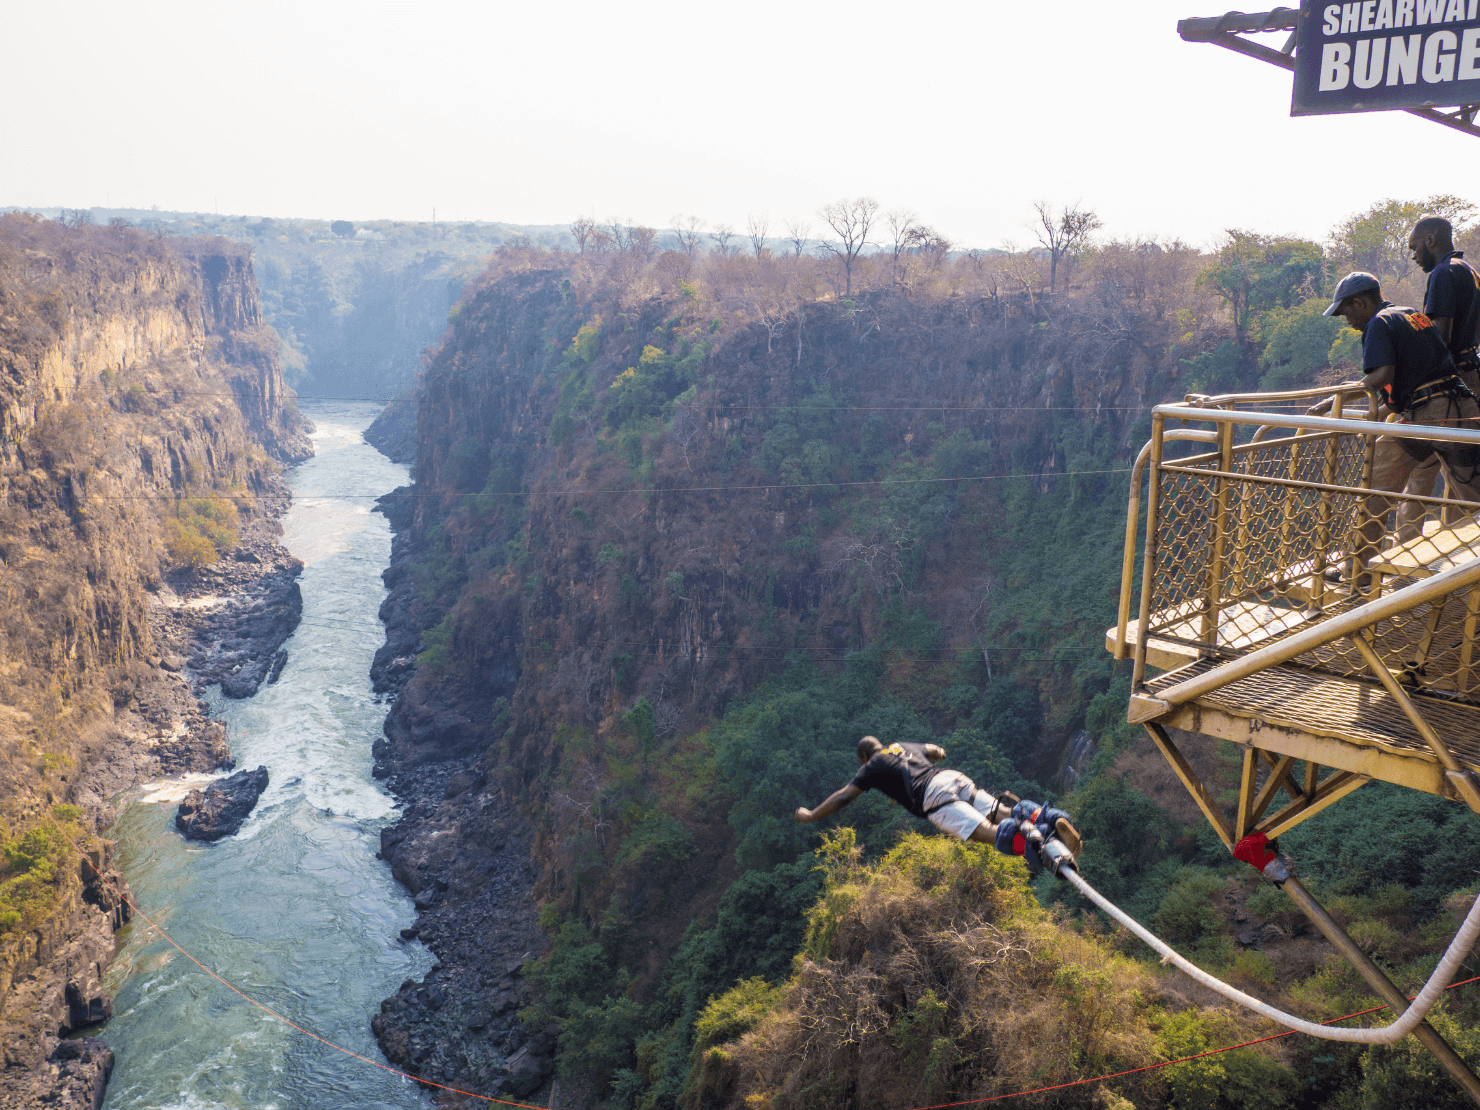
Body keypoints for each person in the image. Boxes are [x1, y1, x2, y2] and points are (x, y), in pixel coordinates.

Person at [1310, 271, 1480, 580]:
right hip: (1461, 407)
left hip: (1428, 415)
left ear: (1359, 302)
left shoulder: (1378, 324)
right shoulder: (1411, 315)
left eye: (1345, 312)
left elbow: (1380, 377)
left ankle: (1358, 572)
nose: (1346, 321)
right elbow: (1414, 383)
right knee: (1475, 497)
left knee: (1373, 489)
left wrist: (1333, 402)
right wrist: (1374, 416)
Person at [793, 735, 1081, 865]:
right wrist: (935, 754)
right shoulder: (901, 746)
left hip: (933, 798)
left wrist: (810, 815)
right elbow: (937, 751)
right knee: (1003, 812)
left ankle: (1041, 843)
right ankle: (1052, 818)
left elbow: (844, 797)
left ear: (864, 757)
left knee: (990, 834)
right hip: (951, 778)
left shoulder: (871, 767)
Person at [1397, 217, 1480, 539]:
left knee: (1434, 463)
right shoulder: (1469, 271)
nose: (1414, 256)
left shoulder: (1443, 273)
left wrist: (1410, 378)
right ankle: (1412, 543)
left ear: (1430, 239)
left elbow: (1439, 336)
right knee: (1446, 463)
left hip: (1447, 387)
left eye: (1414, 247)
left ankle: (1392, 550)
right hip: (1471, 377)